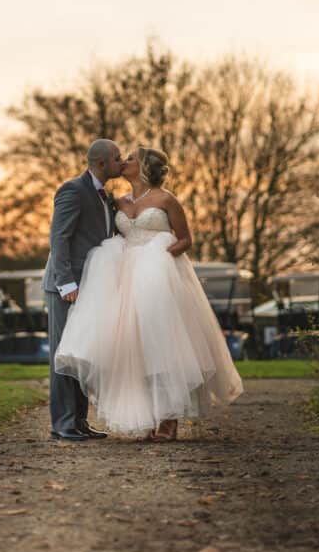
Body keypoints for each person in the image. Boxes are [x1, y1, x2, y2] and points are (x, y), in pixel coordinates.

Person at [54, 145, 243, 440]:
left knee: (163, 346)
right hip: (123, 280)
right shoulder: (117, 201)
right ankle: (143, 416)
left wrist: (158, 255)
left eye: (129, 158)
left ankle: (169, 420)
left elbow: (185, 240)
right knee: (132, 349)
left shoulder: (167, 199)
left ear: (143, 166)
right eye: (121, 158)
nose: (123, 162)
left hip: (157, 277)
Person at [42, 139, 125, 441]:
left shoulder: (105, 195)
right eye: (117, 158)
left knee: (83, 352)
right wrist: (66, 283)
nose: (121, 162)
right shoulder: (72, 190)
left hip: (90, 286)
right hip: (67, 286)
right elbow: (59, 238)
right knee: (65, 353)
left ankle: (79, 421)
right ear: (101, 163)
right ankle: (62, 423)